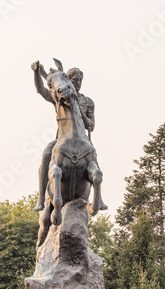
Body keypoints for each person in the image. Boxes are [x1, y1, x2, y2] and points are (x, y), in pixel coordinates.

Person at [31, 60, 107, 212]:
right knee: (47, 154)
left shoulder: (87, 102)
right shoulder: (59, 97)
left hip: (82, 141)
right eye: (74, 80)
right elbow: (41, 90)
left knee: (94, 157)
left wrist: (81, 113)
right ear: (69, 82)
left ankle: (100, 198)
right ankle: (40, 199)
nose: (77, 83)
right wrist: (36, 72)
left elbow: (91, 125)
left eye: (80, 80)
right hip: (62, 140)